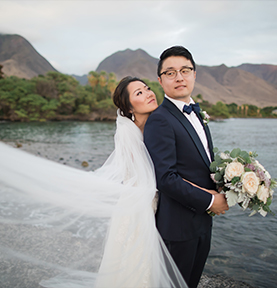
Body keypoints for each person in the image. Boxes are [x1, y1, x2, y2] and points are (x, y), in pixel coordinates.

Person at [0, 76, 187, 288]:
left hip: (148, 203)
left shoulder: (156, 125)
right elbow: (145, 176)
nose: (149, 93)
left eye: (147, 88)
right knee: (137, 263)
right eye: (139, 93)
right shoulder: (128, 132)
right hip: (138, 207)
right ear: (128, 107)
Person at [144, 46, 229, 288]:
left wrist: (229, 183)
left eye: (185, 70)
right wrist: (211, 201)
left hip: (201, 222)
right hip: (178, 228)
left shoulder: (197, 112)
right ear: (160, 81)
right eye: (170, 73)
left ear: (194, 74)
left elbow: (200, 164)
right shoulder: (160, 119)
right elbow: (166, 178)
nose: (179, 77)